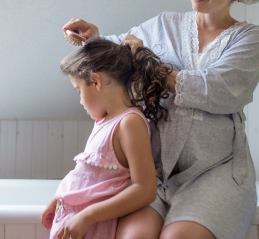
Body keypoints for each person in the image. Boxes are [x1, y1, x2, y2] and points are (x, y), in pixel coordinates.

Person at [62, 0, 259, 239]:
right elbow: (122, 49)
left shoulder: (250, 39)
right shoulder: (165, 24)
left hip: (215, 173)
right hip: (154, 173)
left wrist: (150, 62)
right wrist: (94, 37)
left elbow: (219, 91)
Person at [41, 38, 173, 239]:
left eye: (79, 91)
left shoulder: (129, 123)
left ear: (96, 81)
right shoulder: (103, 121)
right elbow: (88, 173)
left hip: (92, 226)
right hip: (73, 221)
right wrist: (58, 197)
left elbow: (145, 189)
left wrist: (88, 216)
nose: (80, 101)